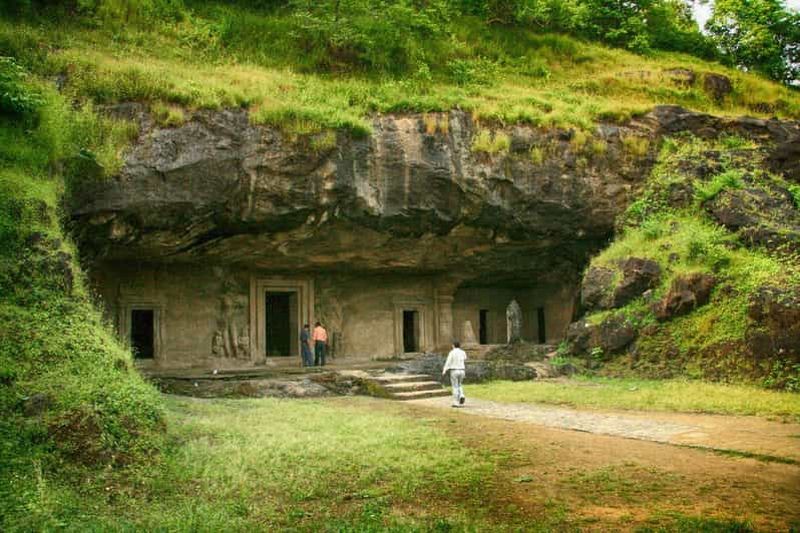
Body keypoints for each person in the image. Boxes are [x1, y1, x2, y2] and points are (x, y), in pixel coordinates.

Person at [442, 341, 467, 407]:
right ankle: (462, 395)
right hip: (462, 370)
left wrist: (444, 370)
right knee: (460, 384)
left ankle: (456, 402)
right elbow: (465, 359)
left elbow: (448, 361)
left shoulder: (452, 352)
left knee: (455, 386)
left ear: (453, 345)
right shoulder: (463, 352)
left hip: (454, 370)